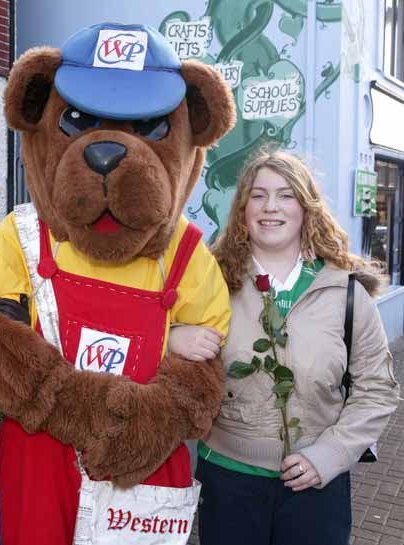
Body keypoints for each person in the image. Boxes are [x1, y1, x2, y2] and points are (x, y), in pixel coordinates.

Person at [169, 150, 400, 545]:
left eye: (285, 195)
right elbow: (142, 344)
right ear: (243, 210)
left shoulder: (345, 293)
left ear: (306, 209)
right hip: (227, 482)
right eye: (257, 196)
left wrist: (330, 454)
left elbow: (377, 390)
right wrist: (169, 337)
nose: (270, 207)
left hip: (317, 484)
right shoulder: (210, 284)